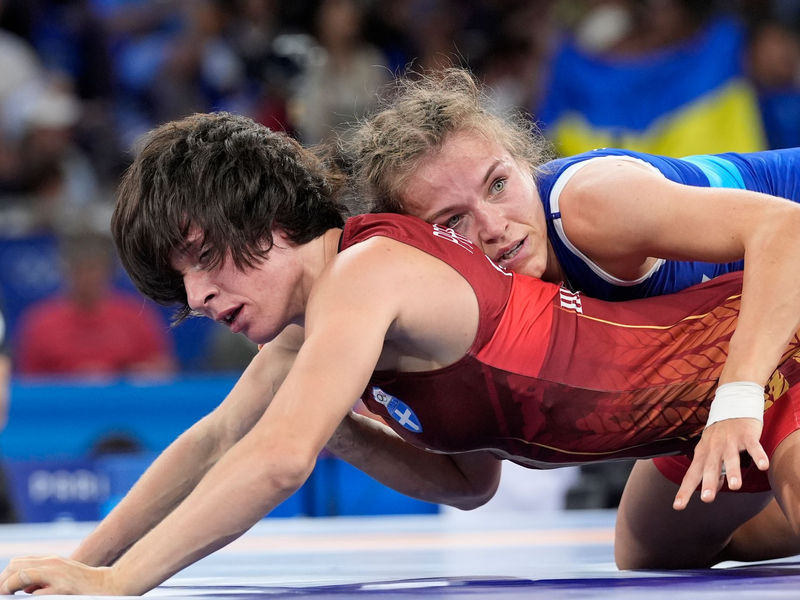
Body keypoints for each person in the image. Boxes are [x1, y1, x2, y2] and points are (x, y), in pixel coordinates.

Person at [3, 113, 800, 594]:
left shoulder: (368, 275)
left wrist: (118, 586)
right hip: (690, 408)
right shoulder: (318, 331)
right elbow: (221, 440)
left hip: (772, 352)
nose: (200, 299)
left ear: (271, 219)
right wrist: (79, 563)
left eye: (205, 261)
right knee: (650, 556)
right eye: (182, 286)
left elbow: (278, 460)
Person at [341, 67, 800, 557]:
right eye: (454, 219)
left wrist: (736, 399)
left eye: (497, 185)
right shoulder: (472, 304)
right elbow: (470, 482)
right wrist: (340, 431)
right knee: (651, 550)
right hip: (752, 337)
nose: (494, 226)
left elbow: (786, 232)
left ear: (525, 164)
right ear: (428, 246)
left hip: (785, 272)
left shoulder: (591, 204)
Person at [16, 230, 177, 377]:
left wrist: (121, 374)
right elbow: (30, 383)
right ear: (65, 271)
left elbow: (163, 369)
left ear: (109, 271)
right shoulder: (40, 322)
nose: (86, 278)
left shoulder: (136, 315)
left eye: (93, 268)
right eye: (78, 269)